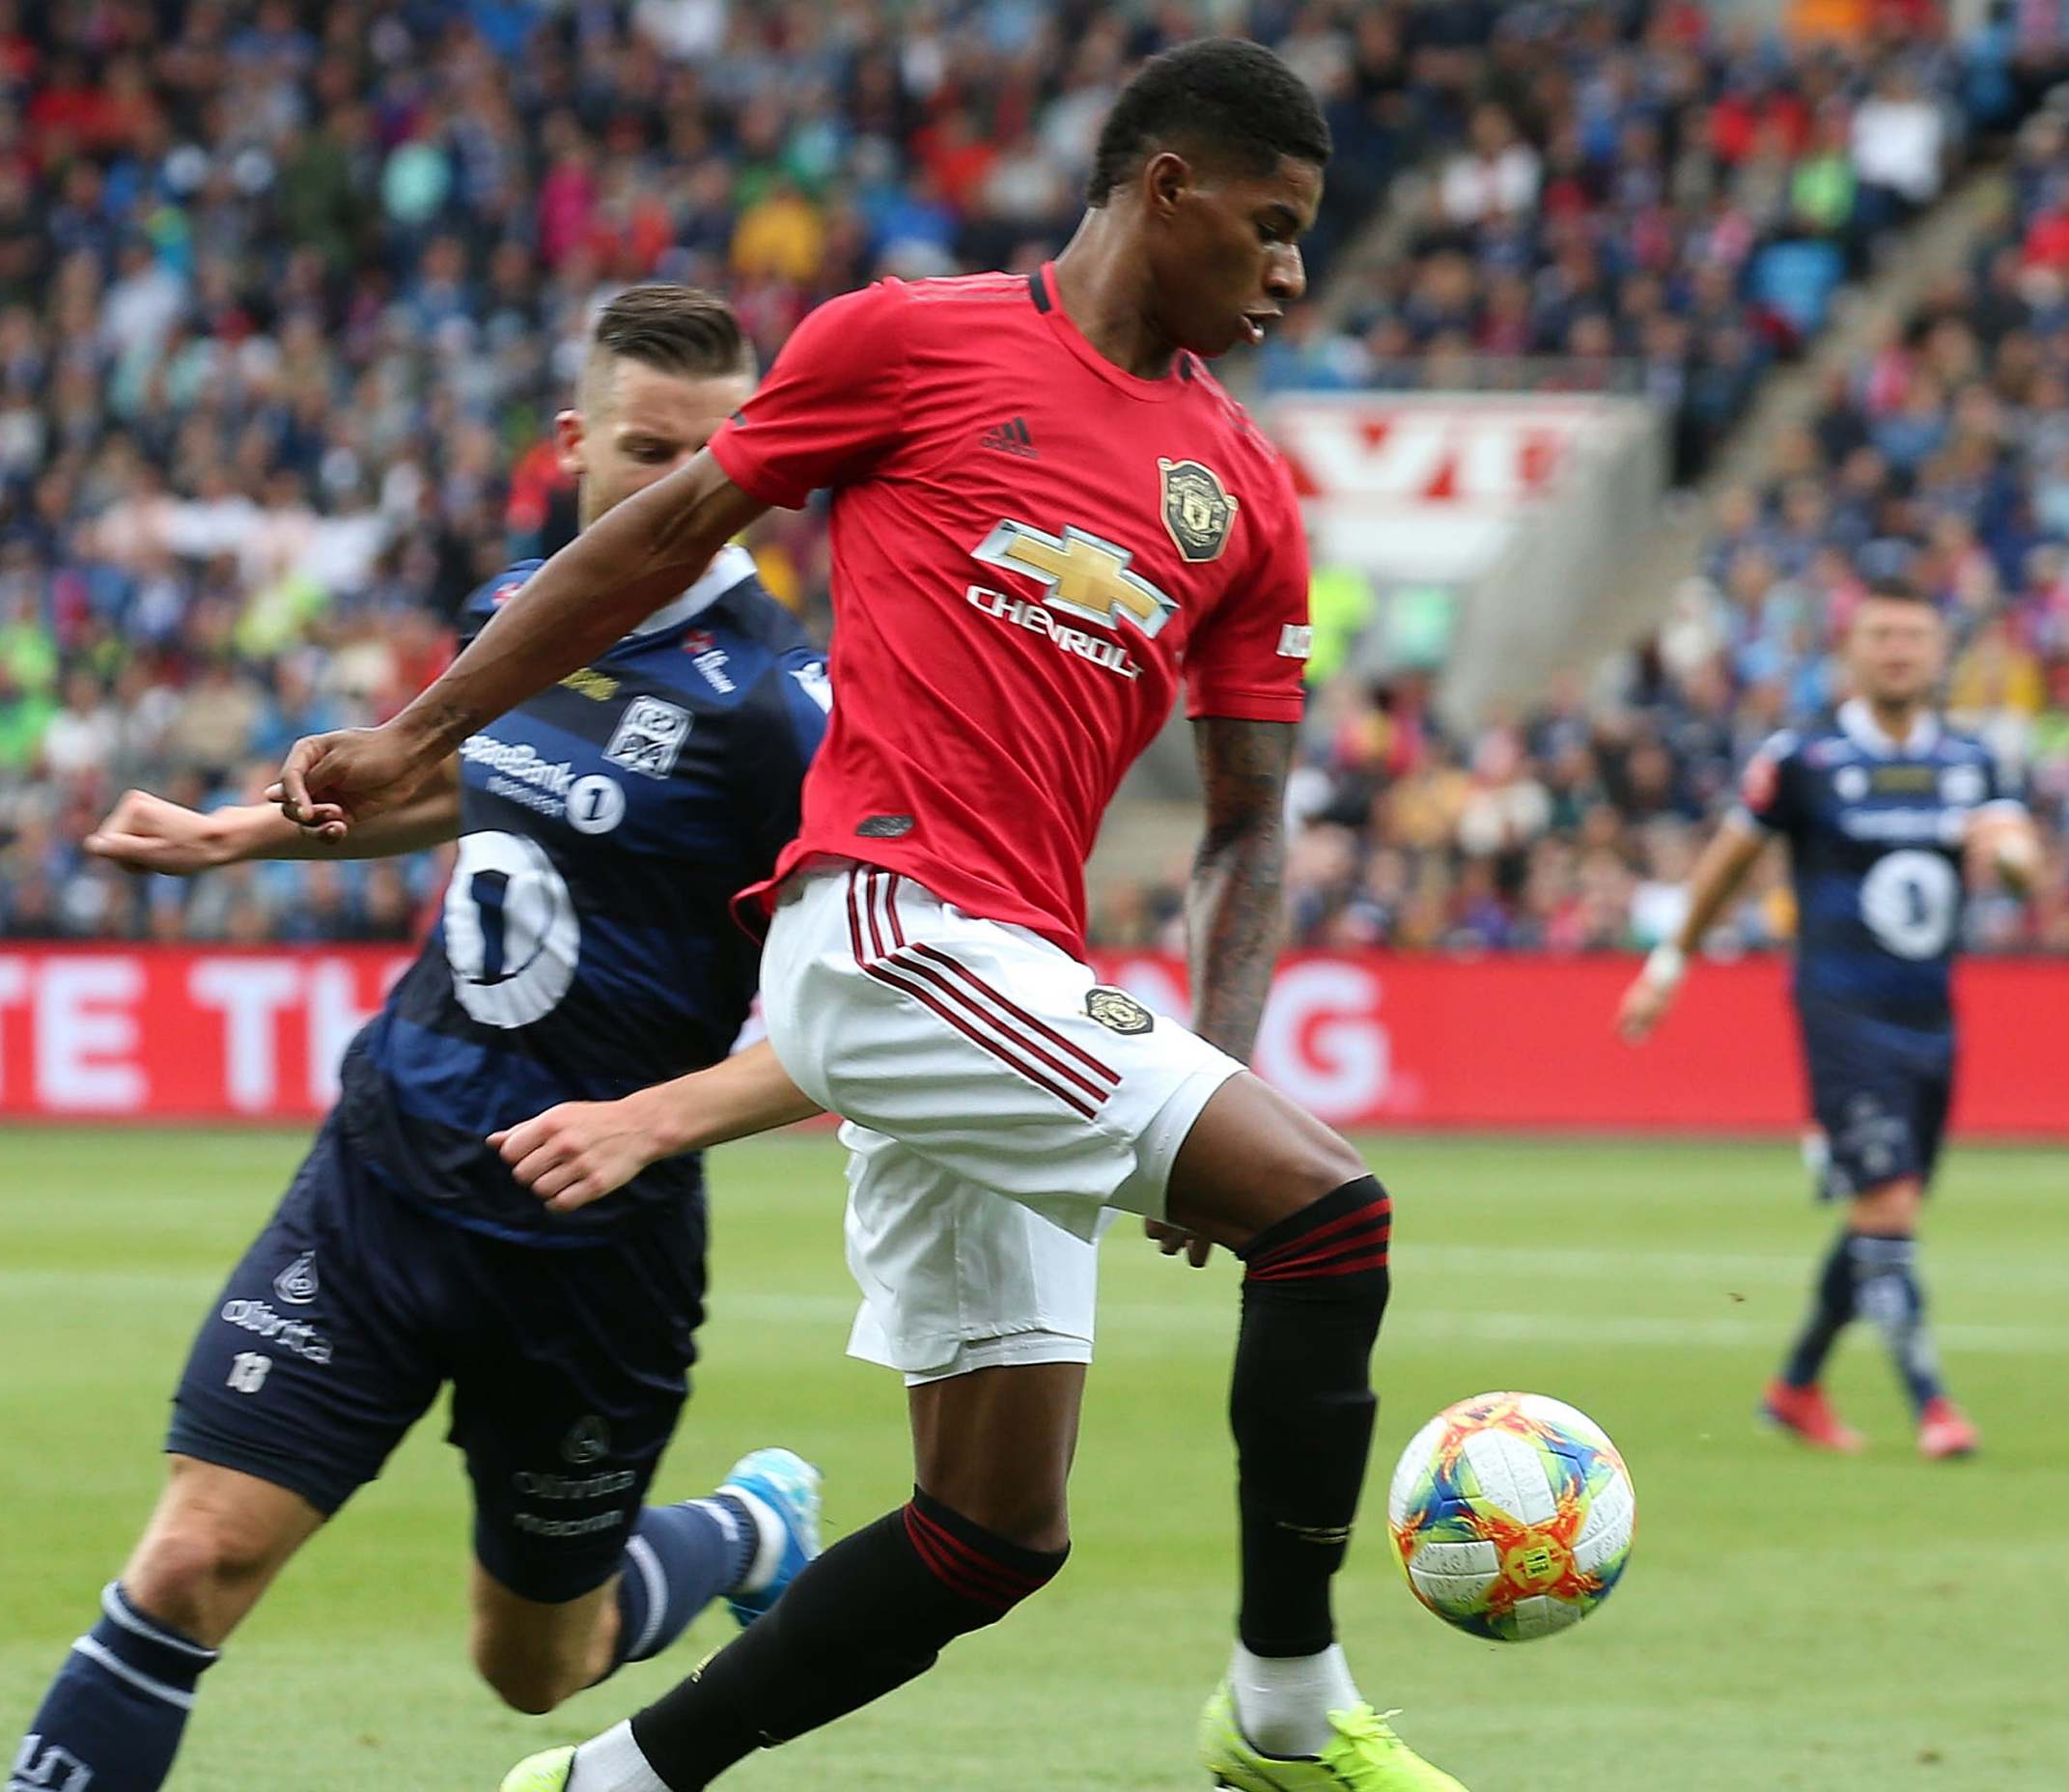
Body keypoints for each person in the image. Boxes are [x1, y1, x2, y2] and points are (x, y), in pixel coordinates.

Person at [274, 40, 1465, 1792]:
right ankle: (1284, 1712)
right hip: (887, 927)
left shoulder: (1243, 494)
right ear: (1166, 188)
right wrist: (422, 728)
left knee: (992, 1531)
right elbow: (657, 537)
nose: (1293, 271)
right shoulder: (907, 341)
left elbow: (1247, 822)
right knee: (1335, 1217)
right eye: (1273, 226)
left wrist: (1217, 1057)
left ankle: (601, 1783)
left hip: (1011, 970)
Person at [2, 286, 833, 1792]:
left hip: (590, 1246)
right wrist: (237, 840)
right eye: (650, 451)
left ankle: (742, 1529)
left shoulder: (781, 714)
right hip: (387, 1169)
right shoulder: (515, 610)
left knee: (535, 1666)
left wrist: (658, 1118)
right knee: (194, 1557)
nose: (688, 491)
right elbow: (471, 782)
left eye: (726, 461)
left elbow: (872, 1013)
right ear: (574, 442)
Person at [1617, 580, 2041, 1459]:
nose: (1897, 651)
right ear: (1850, 650)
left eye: (1913, 636)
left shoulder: (1969, 759)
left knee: (1882, 1215)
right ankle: (1932, 1405)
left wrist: (2014, 868)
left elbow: (2017, 853)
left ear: (1938, 652)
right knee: (1886, 1203)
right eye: (1881, 634)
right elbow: (1728, 864)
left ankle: (1795, 1387)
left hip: (1930, 1017)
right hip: (1840, 1012)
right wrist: (1668, 966)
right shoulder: (1803, 760)